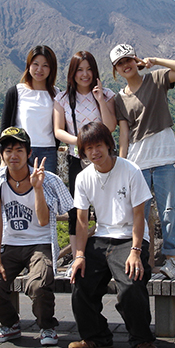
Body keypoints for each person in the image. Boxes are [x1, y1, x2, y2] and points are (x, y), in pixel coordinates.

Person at [68, 122, 160, 348]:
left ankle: (141, 340)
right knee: (80, 282)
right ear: (83, 152)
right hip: (100, 238)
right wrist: (79, 255)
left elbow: (141, 216)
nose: (94, 152)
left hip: (130, 238)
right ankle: (96, 337)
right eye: (88, 148)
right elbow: (81, 221)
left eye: (98, 145)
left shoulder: (130, 170)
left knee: (132, 282)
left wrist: (137, 252)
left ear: (109, 145)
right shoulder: (83, 177)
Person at [0, 127, 73, 345]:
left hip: (39, 244)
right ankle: (10, 325)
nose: (13, 155)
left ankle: (47, 327)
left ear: (29, 153)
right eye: (8, 150)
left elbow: (43, 221)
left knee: (38, 285)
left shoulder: (47, 180)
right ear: (2, 155)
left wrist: (37, 188)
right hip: (9, 246)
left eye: (19, 150)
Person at [110, 43, 175, 279]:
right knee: (139, 214)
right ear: (116, 70)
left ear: (136, 60)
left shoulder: (156, 79)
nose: (126, 65)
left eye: (128, 59)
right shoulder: (119, 99)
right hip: (138, 162)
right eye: (120, 63)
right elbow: (123, 135)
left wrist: (155, 60)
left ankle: (171, 260)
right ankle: (141, 261)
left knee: (168, 211)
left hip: (166, 156)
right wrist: (121, 166)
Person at [53, 51, 117, 258]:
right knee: (76, 209)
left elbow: (110, 126)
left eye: (89, 69)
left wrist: (99, 99)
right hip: (76, 159)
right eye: (80, 69)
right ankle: (77, 256)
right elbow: (58, 130)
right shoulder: (62, 98)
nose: (85, 74)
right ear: (72, 72)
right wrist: (80, 143)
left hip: (104, 159)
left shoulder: (107, 94)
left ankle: (106, 256)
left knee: (105, 207)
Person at [0, 45, 60, 174]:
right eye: (35, 64)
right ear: (28, 65)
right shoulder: (16, 92)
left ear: (51, 68)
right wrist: (4, 157)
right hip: (20, 149)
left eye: (45, 65)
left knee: (46, 191)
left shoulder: (56, 94)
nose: (40, 69)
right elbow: (5, 128)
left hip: (47, 151)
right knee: (20, 191)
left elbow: (59, 126)